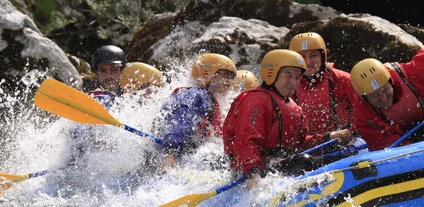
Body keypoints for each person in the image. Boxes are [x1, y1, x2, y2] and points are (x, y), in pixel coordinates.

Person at [223, 49, 352, 188]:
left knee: (341, 155)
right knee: (304, 161)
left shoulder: (293, 107)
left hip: (279, 166)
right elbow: (247, 141)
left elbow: (299, 144)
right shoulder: (256, 100)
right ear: (271, 73)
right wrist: (254, 173)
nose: (293, 82)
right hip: (253, 171)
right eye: (288, 75)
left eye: (297, 77)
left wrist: (329, 137)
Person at [349, 44, 424, 151]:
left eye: (385, 90)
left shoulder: (413, 73)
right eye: (375, 95)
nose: (383, 98)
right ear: (365, 98)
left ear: (391, 82)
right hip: (401, 139)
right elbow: (391, 147)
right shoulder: (363, 115)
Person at [153, 53, 237, 170]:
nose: (229, 82)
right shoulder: (193, 95)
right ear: (208, 74)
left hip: (187, 153)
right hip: (173, 153)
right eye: (225, 76)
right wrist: (170, 154)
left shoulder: (210, 99)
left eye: (231, 77)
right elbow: (178, 123)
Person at [289, 32, 357, 135]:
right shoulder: (286, 86)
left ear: (323, 56)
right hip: (308, 147)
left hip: (347, 144)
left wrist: (353, 135)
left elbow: (365, 112)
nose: (308, 62)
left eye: (313, 55)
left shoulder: (344, 80)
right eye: (302, 56)